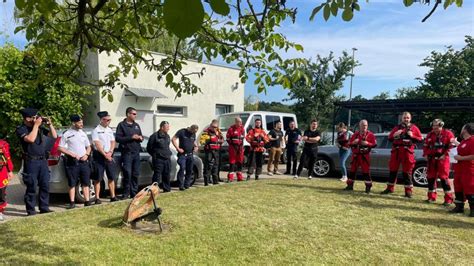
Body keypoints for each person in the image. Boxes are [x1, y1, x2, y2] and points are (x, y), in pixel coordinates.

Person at [16, 108, 57, 215]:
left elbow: (54, 136)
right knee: (32, 186)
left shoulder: (40, 128)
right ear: (27, 119)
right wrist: (36, 126)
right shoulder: (21, 129)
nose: (36, 119)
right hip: (31, 161)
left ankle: (44, 207)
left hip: (42, 161)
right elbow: (30, 139)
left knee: (44, 185)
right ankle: (31, 210)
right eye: (34, 117)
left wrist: (50, 125)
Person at [381, 112, 423, 198]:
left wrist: (413, 136)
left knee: (407, 172)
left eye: (407, 118)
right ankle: (390, 188)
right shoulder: (397, 128)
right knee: (393, 170)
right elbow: (389, 138)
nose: (406, 119)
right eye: (404, 118)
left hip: (407, 151)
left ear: (410, 118)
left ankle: (408, 191)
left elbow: (420, 139)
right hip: (396, 151)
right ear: (402, 118)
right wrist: (395, 134)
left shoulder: (414, 128)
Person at [58, 115, 92, 209]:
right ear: (74, 123)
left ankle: (87, 201)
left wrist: (87, 155)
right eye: (79, 123)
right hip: (72, 162)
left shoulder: (83, 133)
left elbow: (89, 146)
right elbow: (60, 147)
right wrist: (71, 154)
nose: (82, 124)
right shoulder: (67, 134)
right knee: (72, 183)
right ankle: (72, 203)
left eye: (82, 122)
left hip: (83, 161)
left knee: (86, 182)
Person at [423, 119, 455, 205]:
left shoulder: (448, 134)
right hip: (431, 159)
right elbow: (425, 146)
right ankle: (431, 197)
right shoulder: (430, 134)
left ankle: (448, 199)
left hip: (443, 159)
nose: (435, 128)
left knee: (444, 179)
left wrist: (445, 154)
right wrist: (425, 154)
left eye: (437, 126)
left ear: (441, 125)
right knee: (430, 178)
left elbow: (452, 147)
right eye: (434, 126)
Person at [116, 107, 143, 199]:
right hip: (127, 153)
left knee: (135, 174)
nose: (135, 115)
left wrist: (140, 138)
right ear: (128, 114)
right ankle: (126, 193)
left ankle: (134, 193)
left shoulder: (137, 125)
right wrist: (131, 137)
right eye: (134, 114)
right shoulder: (121, 125)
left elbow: (140, 136)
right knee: (127, 173)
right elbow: (118, 138)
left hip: (136, 153)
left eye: (136, 114)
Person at [91, 111, 118, 204]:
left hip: (109, 155)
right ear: (102, 120)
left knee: (111, 177)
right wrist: (105, 154)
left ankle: (113, 196)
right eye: (107, 120)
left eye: (110, 120)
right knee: (98, 178)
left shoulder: (109, 130)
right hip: (100, 156)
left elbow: (113, 142)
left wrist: (110, 152)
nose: (108, 122)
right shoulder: (96, 130)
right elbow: (97, 144)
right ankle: (97, 198)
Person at [344, 120, 377, 193]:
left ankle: (368, 187)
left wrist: (367, 143)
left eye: (365, 125)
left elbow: (374, 144)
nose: (364, 127)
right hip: (356, 156)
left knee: (366, 172)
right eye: (362, 125)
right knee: (352, 171)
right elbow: (348, 144)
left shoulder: (370, 135)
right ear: (360, 126)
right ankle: (350, 185)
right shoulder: (355, 134)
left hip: (364, 156)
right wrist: (353, 142)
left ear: (367, 126)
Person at [451, 123, 474, 216]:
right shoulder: (465, 141)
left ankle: (473, 210)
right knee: (458, 186)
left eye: (462, 128)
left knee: (470, 188)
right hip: (460, 169)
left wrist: (460, 158)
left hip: (469, 169)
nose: (461, 130)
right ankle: (459, 207)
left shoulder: (473, 141)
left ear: (466, 130)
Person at [147, 121, 172, 192]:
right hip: (158, 159)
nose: (168, 128)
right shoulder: (154, 136)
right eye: (167, 127)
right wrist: (155, 154)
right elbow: (149, 148)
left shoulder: (167, 136)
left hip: (167, 158)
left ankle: (167, 189)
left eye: (168, 127)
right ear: (162, 127)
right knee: (157, 175)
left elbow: (167, 146)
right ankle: (154, 190)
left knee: (167, 174)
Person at [172, 124, 199, 191]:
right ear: (191, 129)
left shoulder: (193, 134)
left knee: (189, 170)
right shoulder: (182, 132)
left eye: (195, 132)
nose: (194, 133)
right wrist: (178, 148)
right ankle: (181, 185)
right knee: (182, 168)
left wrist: (196, 146)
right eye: (193, 132)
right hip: (182, 155)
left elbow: (194, 141)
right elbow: (173, 139)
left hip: (190, 155)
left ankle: (187, 185)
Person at [199, 119, 224, 186]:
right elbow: (202, 141)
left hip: (217, 151)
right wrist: (209, 139)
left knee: (216, 165)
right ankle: (206, 182)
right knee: (208, 166)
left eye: (216, 127)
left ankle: (215, 181)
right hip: (209, 151)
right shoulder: (206, 131)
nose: (215, 128)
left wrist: (221, 140)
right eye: (213, 127)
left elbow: (222, 139)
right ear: (211, 125)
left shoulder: (218, 131)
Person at [226, 117, 245, 182]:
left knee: (240, 162)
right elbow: (228, 139)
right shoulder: (231, 129)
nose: (241, 123)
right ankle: (230, 178)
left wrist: (241, 147)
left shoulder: (242, 128)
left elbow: (243, 137)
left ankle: (239, 177)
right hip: (233, 147)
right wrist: (233, 145)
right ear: (236, 122)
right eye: (239, 122)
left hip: (240, 147)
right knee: (232, 162)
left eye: (241, 122)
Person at [0, 139, 14, 221]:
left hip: (1, 172)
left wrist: (10, 170)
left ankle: (0, 211)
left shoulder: (3, 144)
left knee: (1, 192)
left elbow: (7, 157)